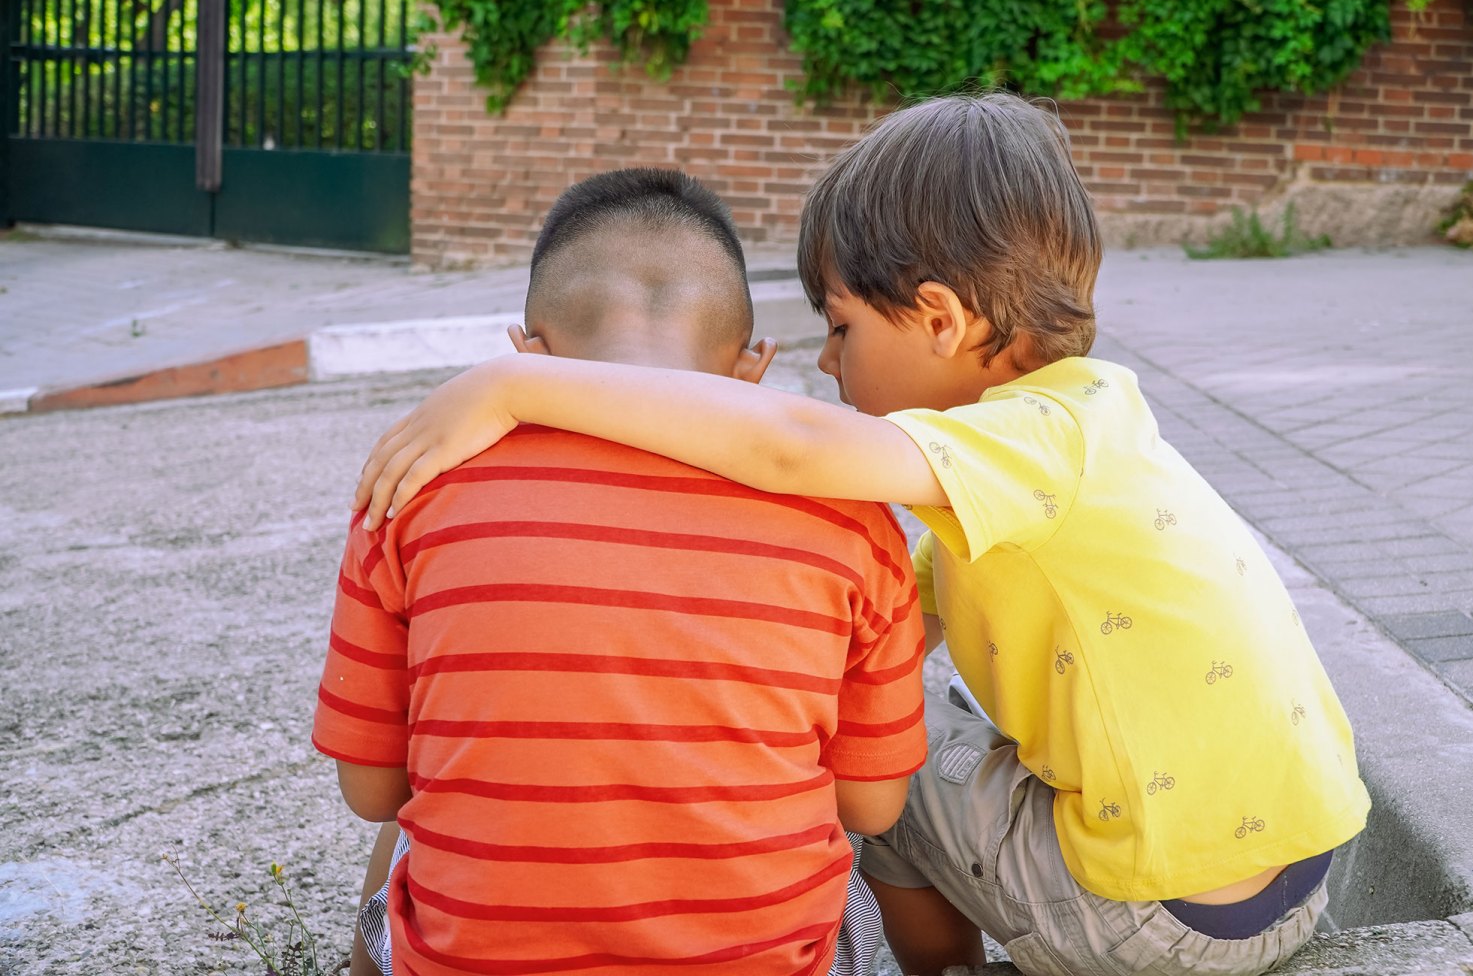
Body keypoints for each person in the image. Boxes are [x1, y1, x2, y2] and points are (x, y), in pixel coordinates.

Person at [350, 93, 1372, 976]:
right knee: (885, 722)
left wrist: (529, 385)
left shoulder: (1043, 436)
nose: (828, 366)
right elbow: (835, 643)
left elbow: (797, 449)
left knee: (907, 770)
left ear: (938, 318)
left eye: (841, 328)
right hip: (1281, 877)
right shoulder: (1068, 437)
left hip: (1165, 919)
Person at [314, 167, 928, 976]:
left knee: (414, 822)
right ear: (752, 368)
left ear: (527, 355)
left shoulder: (411, 490)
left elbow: (372, 793)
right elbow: (872, 806)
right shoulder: (855, 518)